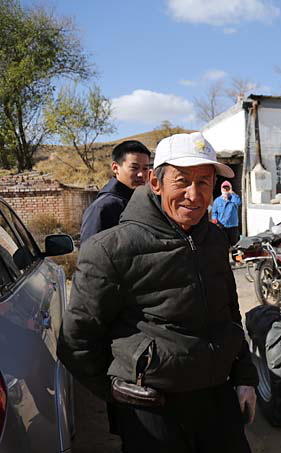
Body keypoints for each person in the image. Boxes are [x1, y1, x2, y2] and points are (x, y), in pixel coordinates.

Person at [58, 132, 258, 453]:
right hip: (153, 409)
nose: (194, 195)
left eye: (204, 182)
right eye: (182, 181)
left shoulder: (214, 240)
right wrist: (115, 390)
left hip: (217, 399)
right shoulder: (111, 249)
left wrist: (245, 378)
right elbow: (76, 340)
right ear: (155, 182)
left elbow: (230, 314)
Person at [80, 140, 151, 243]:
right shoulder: (102, 208)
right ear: (115, 168)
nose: (141, 174)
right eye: (134, 168)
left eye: (145, 169)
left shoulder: (143, 202)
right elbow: (89, 250)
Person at [212, 180, 241, 248]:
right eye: (224, 188)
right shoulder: (217, 201)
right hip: (221, 226)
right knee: (222, 244)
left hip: (233, 226)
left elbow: (238, 202)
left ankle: (233, 255)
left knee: (234, 245)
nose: (225, 190)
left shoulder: (234, 198)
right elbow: (214, 212)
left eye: (227, 188)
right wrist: (214, 219)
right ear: (221, 189)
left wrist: (232, 193)